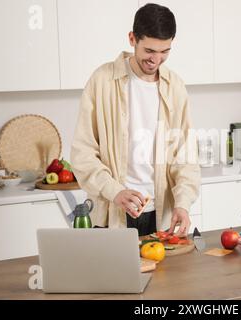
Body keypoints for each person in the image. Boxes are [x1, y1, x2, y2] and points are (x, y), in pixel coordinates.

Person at [71, 3, 200, 237]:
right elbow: (83, 153)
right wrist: (114, 191)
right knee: (110, 274)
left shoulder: (176, 87)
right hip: (113, 211)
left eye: (165, 51)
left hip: (161, 216)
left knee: (164, 275)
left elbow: (186, 156)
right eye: (150, 51)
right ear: (132, 39)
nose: (156, 59)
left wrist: (182, 203)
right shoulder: (102, 81)